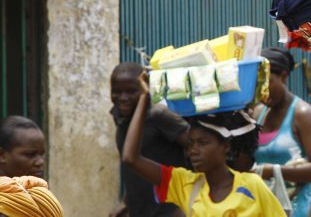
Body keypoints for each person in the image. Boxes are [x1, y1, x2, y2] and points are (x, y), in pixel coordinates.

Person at [122, 71, 285, 216]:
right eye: (191, 143)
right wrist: (144, 98)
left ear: (226, 146)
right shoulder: (185, 183)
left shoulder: (252, 186)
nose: (193, 150)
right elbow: (131, 158)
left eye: (202, 143)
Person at [109, 62, 190, 217]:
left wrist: (184, 207)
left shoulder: (159, 116)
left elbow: (197, 151)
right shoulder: (121, 119)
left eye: (131, 91)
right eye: (117, 92)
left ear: (144, 89)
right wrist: (126, 202)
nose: (123, 98)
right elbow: (134, 171)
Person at [253, 47, 311, 217]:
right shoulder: (257, 113)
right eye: (257, 84)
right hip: (263, 210)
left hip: (297, 210)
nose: (262, 91)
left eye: (267, 82)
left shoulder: (302, 113)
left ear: (283, 76)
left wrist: (272, 170)